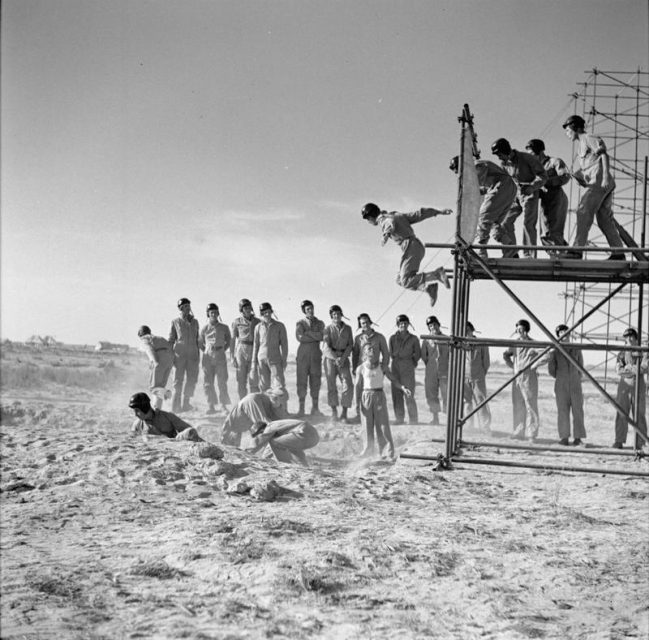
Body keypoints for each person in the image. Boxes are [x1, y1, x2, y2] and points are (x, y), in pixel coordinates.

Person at [361, 203, 451, 306]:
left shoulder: (384, 219)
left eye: (368, 220)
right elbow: (418, 214)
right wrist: (438, 212)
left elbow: (390, 223)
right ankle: (428, 289)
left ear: (370, 217)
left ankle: (437, 274)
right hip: (416, 246)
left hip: (411, 247)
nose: (368, 222)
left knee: (406, 281)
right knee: (399, 280)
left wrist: (386, 235)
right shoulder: (396, 215)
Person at [561, 115, 625, 260]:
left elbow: (604, 156)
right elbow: (590, 165)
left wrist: (605, 177)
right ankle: (618, 253)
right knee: (603, 218)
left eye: (568, 130)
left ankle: (577, 251)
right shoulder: (581, 145)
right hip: (597, 182)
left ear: (575, 128)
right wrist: (579, 177)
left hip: (600, 182)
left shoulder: (589, 137)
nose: (567, 134)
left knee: (583, 211)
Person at [449, 155, 518, 258]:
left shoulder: (475, 166)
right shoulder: (477, 168)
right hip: (507, 188)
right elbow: (486, 185)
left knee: (483, 218)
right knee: (494, 223)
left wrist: (470, 188)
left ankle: (480, 251)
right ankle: (510, 250)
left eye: (457, 170)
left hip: (502, 186)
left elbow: (478, 180)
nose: (458, 174)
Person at [491, 138, 548, 258]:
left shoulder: (527, 158)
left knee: (528, 223)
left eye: (499, 155)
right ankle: (511, 252)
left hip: (529, 193)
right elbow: (503, 181)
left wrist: (532, 187)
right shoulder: (504, 164)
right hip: (514, 194)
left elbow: (543, 176)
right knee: (506, 222)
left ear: (505, 151)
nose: (499, 158)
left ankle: (529, 254)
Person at [357, 343, 411, 461]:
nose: (372, 350)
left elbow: (393, 379)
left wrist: (403, 388)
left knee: (383, 425)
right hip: (366, 396)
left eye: (374, 348)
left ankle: (388, 451)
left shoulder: (383, 367)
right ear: (365, 353)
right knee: (367, 425)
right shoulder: (361, 368)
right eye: (369, 349)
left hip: (379, 396)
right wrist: (357, 403)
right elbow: (357, 385)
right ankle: (368, 450)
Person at [524, 139, 570, 253]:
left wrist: (546, 181)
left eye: (532, 154)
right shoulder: (533, 168)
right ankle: (565, 253)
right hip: (545, 201)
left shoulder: (554, 162)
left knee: (554, 232)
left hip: (556, 198)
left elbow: (565, 176)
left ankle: (560, 258)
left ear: (539, 152)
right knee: (545, 234)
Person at [503, 319, 543, 441]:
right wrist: (512, 366)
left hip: (529, 378)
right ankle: (519, 432)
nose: (519, 331)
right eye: (517, 329)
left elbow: (547, 354)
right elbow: (505, 354)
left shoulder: (534, 343)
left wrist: (535, 365)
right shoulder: (514, 344)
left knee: (531, 406)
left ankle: (532, 434)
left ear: (526, 330)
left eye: (521, 329)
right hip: (516, 377)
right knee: (517, 405)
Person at [547, 324, 585, 446]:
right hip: (561, 383)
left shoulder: (576, 348)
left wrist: (574, 378)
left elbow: (581, 366)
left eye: (566, 332)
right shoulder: (555, 350)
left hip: (575, 383)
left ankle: (578, 438)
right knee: (562, 411)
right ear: (558, 335)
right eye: (561, 333)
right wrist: (561, 377)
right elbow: (551, 369)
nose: (564, 335)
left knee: (578, 410)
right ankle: (564, 437)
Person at [613, 328, 648, 449]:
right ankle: (619, 440)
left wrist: (629, 368)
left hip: (639, 386)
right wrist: (634, 370)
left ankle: (639, 443)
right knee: (621, 412)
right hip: (624, 386)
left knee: (639, 414)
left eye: (631, 336)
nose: (629, 339)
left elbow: (645, 367)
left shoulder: (643, 351)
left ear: (636, 337)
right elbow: (619, 370)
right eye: (626, 337)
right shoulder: (621, 353)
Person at [352, 313, 390, 422]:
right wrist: (354, 368)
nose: (365, 325)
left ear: (370, 322)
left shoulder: (380, 337)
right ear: (360, 325)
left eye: (367, 322)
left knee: (373, 392)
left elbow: (386, 354)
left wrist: (384, 367)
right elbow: (355, 355)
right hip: (362, 369)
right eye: (362, 323)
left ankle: (374, 414)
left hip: (375, 369)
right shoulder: (358, 338)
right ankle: (358, 413)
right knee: (359, 390)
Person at [221, 387, 288, 447]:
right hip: (231, 430)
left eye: (281, 402)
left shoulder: (273, 405)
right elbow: (264, 425)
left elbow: (279, 423)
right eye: (275, 399)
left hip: (241, 430)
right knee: (227, 452)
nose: (278, 403)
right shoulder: (254, 399)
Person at [322, 304, 354, 422]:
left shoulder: (348, 329)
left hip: (344, 359)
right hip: (330, 359)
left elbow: (350, 344)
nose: (336, 316)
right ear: (331, 316)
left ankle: (344, 413)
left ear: (342, 315)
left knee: (348, 384)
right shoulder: (327, 329)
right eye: (334, 314)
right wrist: (336, 358)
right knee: (331, 385)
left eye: (338, 313)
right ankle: (334, 412)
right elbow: (325, 346)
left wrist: (343, 358)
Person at [168, 298, 200, 413]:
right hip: (179, 355)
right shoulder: (175, 322)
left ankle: (186, 404)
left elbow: (197, 340)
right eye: (185, 306)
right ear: (181, 308)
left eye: (189, 306)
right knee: (177, 381)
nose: (188, 308)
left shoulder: (195, 322)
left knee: (191, 380)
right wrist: (170, 356)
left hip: (192, 356)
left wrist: (198, 356)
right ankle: (175, 406)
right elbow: (171, 340)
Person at [199, 303, 232, 415]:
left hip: (220, 355)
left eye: (215, 312)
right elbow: (200, 343)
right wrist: (207, 350)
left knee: (222, 381)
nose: (213, 314)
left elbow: (229, 341)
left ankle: (223, 405)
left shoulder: (224, 327)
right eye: (211, 312)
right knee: (208, 382)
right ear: (208, 314)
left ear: (218, 313)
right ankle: (211, 405)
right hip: (207, 356)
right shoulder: (204, 328)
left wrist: (221, 349)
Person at [128, 392, 202, 441]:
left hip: (175, 447)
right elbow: (131, 440)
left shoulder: (167, 416)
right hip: (155, 452)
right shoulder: (137, 424)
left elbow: (188, 430)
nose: (135, 414)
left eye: (137, 411)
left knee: (190, 431)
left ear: (144, 407)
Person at [389, 314, 421, 424]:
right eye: (401, 323)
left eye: (405, 323)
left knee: (409, 393)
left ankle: (413, 419)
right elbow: (391, 353)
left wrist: (411, 363)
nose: (403, 325)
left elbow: (417, 354)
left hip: (407, 366)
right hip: (395, 365)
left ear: (408, 324)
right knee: (396, 393)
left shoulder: (413, 339)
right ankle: (399, 418)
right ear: (397, 325)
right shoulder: (392, 338)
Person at [295, 300, 325, 417]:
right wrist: (314, 335)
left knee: (315, 381)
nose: (310, 311)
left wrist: (308, 333)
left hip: (316, 354)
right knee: (301, 381)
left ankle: (315, 408)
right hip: (303, 355)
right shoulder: (300, 323)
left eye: (312, 308)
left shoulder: (320, 323)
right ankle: (301, 409)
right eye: (308, 309)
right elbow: (300, 337)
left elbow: (322, 336)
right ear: (304, 311)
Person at [248, 419, 319, 466]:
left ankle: (284, 464)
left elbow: (259, 442)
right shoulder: (279, 428)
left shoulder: (269, 427)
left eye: (258, 435)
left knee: (274, 442)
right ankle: (303, 465)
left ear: (261, 430)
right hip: (314, 437)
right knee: (289, 445)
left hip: (303, 434)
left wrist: (247, 453)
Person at [253, 302, 288, 392]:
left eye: (269, 312)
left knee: (279, 385)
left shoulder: (279, 326)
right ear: (261, 314)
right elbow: (255, 345)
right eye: (264, 312)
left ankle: (281, 405)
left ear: (271, 312)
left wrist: (284, 360)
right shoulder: (258, 327)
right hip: (261, 359)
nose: (267, 314)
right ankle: (266, 405)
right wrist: (254, 362)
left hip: (275, 358)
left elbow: (284, 345)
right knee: (264, 387)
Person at [463, 321, 491, 433]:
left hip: (478, 377)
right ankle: (469, 426)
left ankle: (485, 427)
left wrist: (480, 374)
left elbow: (486, 362)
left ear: (472, 330)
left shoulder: (481, 343)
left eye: (468, 330)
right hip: (464, 378)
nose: (466, 333)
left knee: (481, 402)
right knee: (466, 402)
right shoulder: (461, 344)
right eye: (464, 331)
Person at [420, 315, 449, 425]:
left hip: (444, 370)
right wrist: (430, 364)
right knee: (431, 394)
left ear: (438, 325)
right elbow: (424, 356)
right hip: (431, 370)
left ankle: (448, 419)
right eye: (430, 326)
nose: (433, 327)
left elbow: (451, 355)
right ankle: (435, 417)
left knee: (446, 394)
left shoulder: (446, 339)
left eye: (435, 325)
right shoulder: (426, 340)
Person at [137, 325, 173, 410]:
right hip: (169, 361)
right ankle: (158, 409)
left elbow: (150, 351)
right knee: (160, 387)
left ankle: (165, 396)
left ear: (140, 335)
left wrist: (154, 362)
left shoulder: (145, 339)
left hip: (159, 361)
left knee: (155, 387)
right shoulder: (159, 338)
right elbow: (171, 349)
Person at [230, 298, 261, 400]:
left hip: (254, 350)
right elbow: (232, 340)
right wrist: (232, 357)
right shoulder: (237, 322)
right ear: (241, 309)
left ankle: (254, 403)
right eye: (245, 308)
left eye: (249, 307)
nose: (247, 309)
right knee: (241, 380)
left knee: (254, 380)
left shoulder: (258, 321)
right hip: (241, 351)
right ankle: (243, 404)